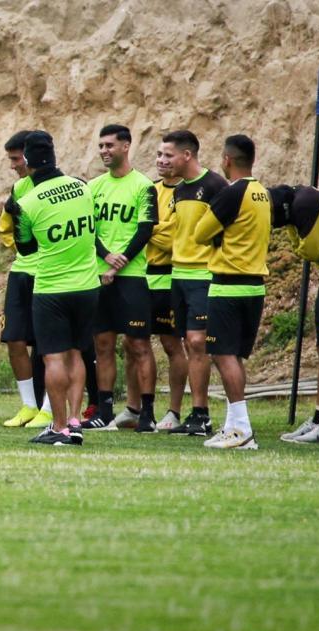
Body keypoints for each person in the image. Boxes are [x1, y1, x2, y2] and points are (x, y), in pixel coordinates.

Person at [6, 131, 100, 446]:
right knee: (77, 354)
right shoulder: (83, 187)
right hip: (88, 285)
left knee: (53, 358)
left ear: (29, 161)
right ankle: (75, 420)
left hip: (51, 288)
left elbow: (27, 248)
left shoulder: (27, 202)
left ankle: (59, 427)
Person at [192, 135, 270, 450]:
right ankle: (233, 425)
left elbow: (200, 233)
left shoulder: (232, 193)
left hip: (228, 285)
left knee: (223, 356)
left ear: (226, 159)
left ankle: (241, 429)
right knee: (234, 357)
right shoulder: (261, 192)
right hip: (254, 286)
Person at [81, 124, 158, 433]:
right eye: (101, 146)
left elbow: (145, 229)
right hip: (100, 274)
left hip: (132, 277)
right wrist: (104, 256)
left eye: (110, 145)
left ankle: (147, 413)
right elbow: (88, 227)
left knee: (138, 344)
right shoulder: (94, 186)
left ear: (126, 146)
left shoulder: (143, 186)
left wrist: (118, 262)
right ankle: (104, 409)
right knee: (102, 343)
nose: (104, 151)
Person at [162, 130, 228, 436]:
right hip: (178, 276)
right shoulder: (178, 191)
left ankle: (202, 413)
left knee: (199, 342)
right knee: (189, 344)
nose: (163, 161)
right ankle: (194, 413)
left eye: (168, 155)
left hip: (204, 275)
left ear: (187, 155)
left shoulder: (215, 185)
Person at [273, 184, 319, 443]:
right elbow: (305, 249)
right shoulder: (298, 206)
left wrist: (294, 231)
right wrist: (293, 229)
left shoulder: (305, 204)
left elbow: (311, 251)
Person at [0, 131, 49, 428]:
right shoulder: (18, 188)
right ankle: (29, 405)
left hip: (52, 274)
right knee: (14, 338)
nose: (13, 165)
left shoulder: (60, 186)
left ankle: (50, 408)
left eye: (16, 159)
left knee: (50, 344)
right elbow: (5, 229)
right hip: (21, 272)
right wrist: (18, 246)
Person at [148, 144, 188, 430]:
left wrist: (148, 229)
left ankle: (174, 411)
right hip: (143, 276)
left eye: (168, 156)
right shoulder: (150, 189)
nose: (161, 161)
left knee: (172, 344)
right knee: (133, 342)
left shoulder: (188, 193)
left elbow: (177, 240)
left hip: (170, 277)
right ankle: (138, 411)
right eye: (159, 155)